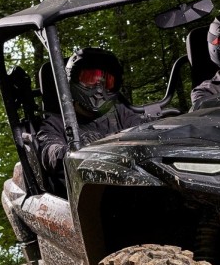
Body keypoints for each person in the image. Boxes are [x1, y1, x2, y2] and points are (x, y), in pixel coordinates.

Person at [37, 47, 142, 189]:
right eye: (90, 79)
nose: (99, 89)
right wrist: (77, 152)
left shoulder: (121, 113)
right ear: (72, 80)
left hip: (131, 185)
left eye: (107, 82)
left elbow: (144, 133)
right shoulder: (55, 123)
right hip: (87, 194)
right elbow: (50, 154)